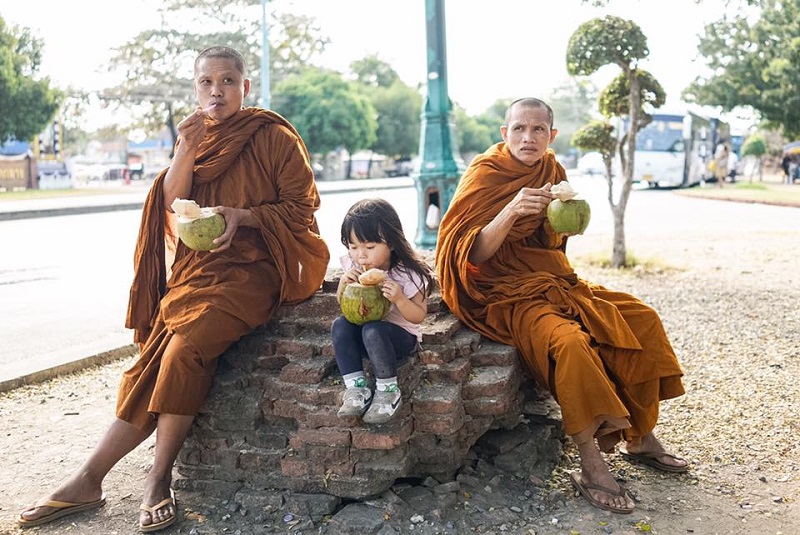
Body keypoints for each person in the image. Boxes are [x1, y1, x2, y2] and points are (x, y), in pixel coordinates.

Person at [17, 46, 329, 532]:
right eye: (206, 82)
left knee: (183, 350)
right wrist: (184, 151)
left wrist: (244, 217)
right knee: (153, 360)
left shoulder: (274, 137)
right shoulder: (195, 139)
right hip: (199, 271)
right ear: (196, 88)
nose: (216, 91)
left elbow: (303, 209)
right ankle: (89, 478)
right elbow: (172, 203)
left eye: (227, 81)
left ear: (245, 88)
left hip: (255, 270)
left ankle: (157, 480)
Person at [435, 98, 688, 515]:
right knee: (570, 343)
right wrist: (513, 208)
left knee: (640, 318)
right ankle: (591, 463)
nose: (528, 138)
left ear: (551, 136)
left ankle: (641, 435)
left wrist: (563, 216)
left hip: (551, 279)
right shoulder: (485, 173)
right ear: (505, 133)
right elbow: (470, 253)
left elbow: (551, 245)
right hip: (504, 293)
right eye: (519, 129)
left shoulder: (552, 170)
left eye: (538, 130)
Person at [332, 198, 434, 424]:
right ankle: (356, 389)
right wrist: (344, 285)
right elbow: (344, 306)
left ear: (392, 243)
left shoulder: (407, 274)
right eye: (353, 247)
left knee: (373, 329)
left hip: (399, 338)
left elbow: (418, 316)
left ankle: (388, 391)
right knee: (340, 325)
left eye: (369, 247)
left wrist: (399, 298)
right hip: (365, 336)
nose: (361, 255)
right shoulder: (354, 266)